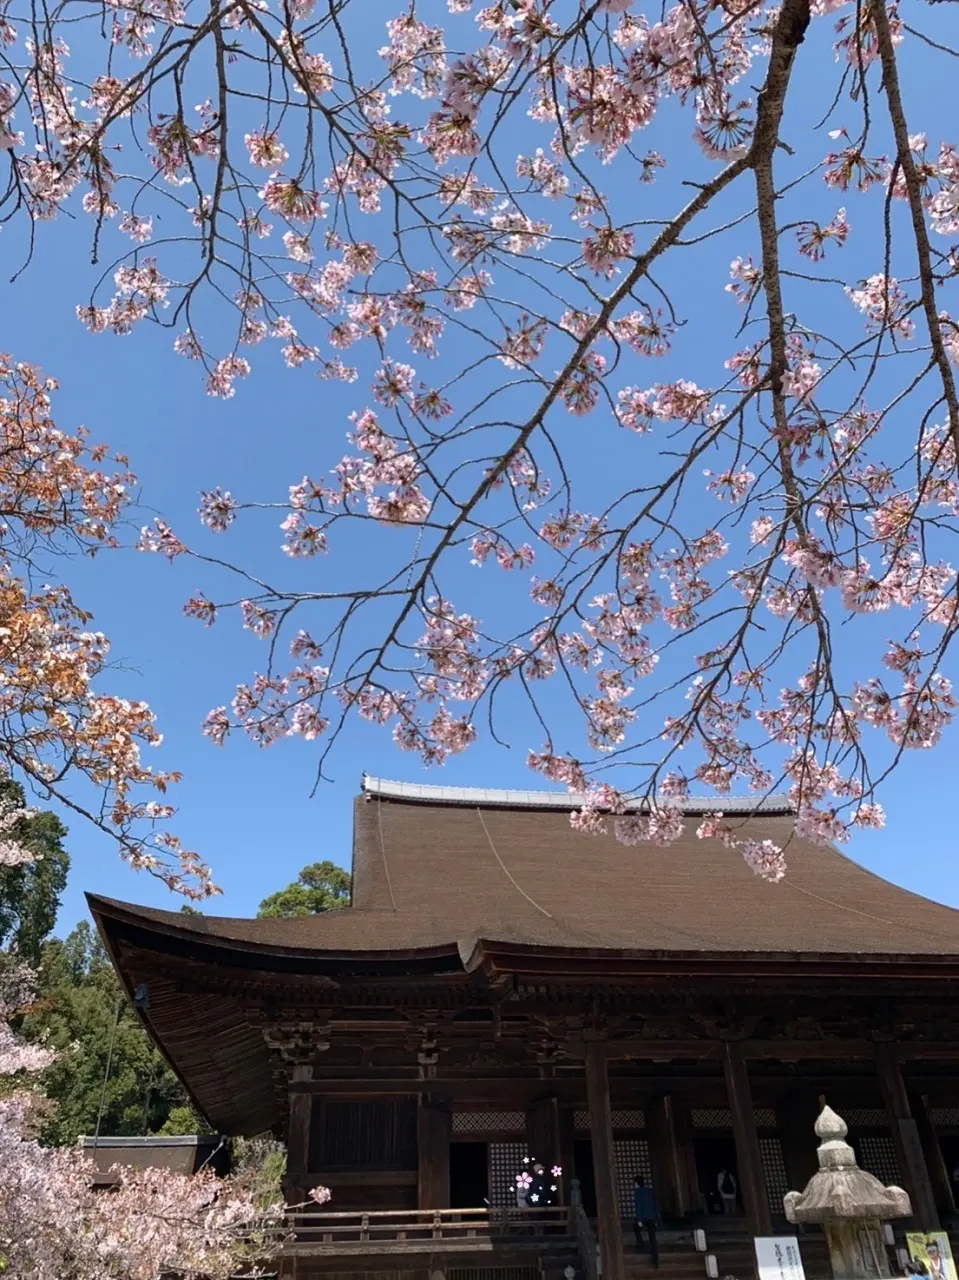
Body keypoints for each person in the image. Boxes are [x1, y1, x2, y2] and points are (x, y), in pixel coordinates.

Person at [633, 1174, 659, 1268]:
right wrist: (656, 1218)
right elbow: (654, 1205)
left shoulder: (638, 1193)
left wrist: (639, 1219)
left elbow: (639, 1206)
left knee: (636, 1229)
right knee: (652, 1239)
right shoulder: (650, 1191)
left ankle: (641, 1246)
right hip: (652, 1217)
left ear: (636, 1183)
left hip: (643, 1218)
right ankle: (655, 1260)